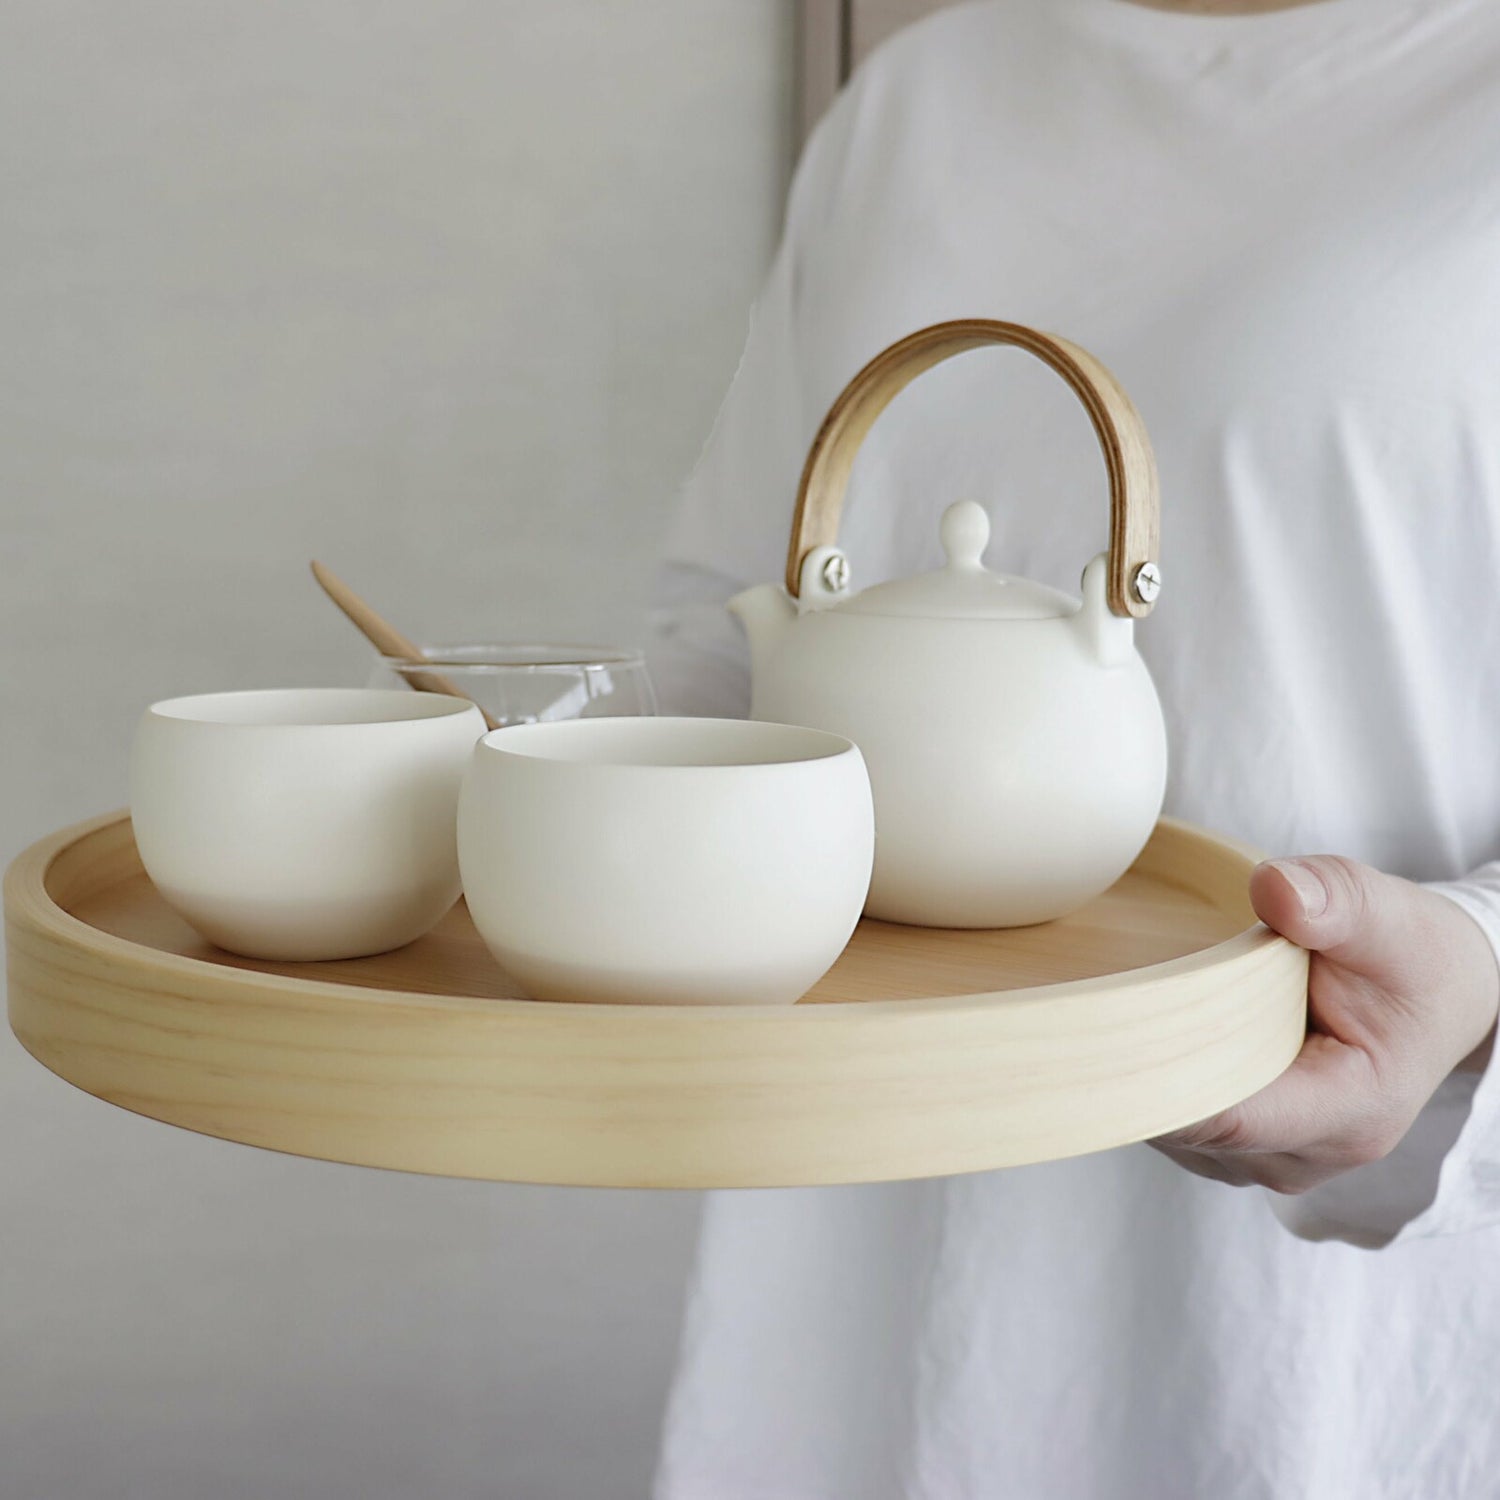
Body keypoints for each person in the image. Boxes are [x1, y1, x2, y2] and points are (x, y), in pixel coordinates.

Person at [645, 0, 1500, 1495]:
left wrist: (1482, 957)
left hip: (1353, 1315)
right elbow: (727, 624)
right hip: (872, 1247)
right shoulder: (926, 94)